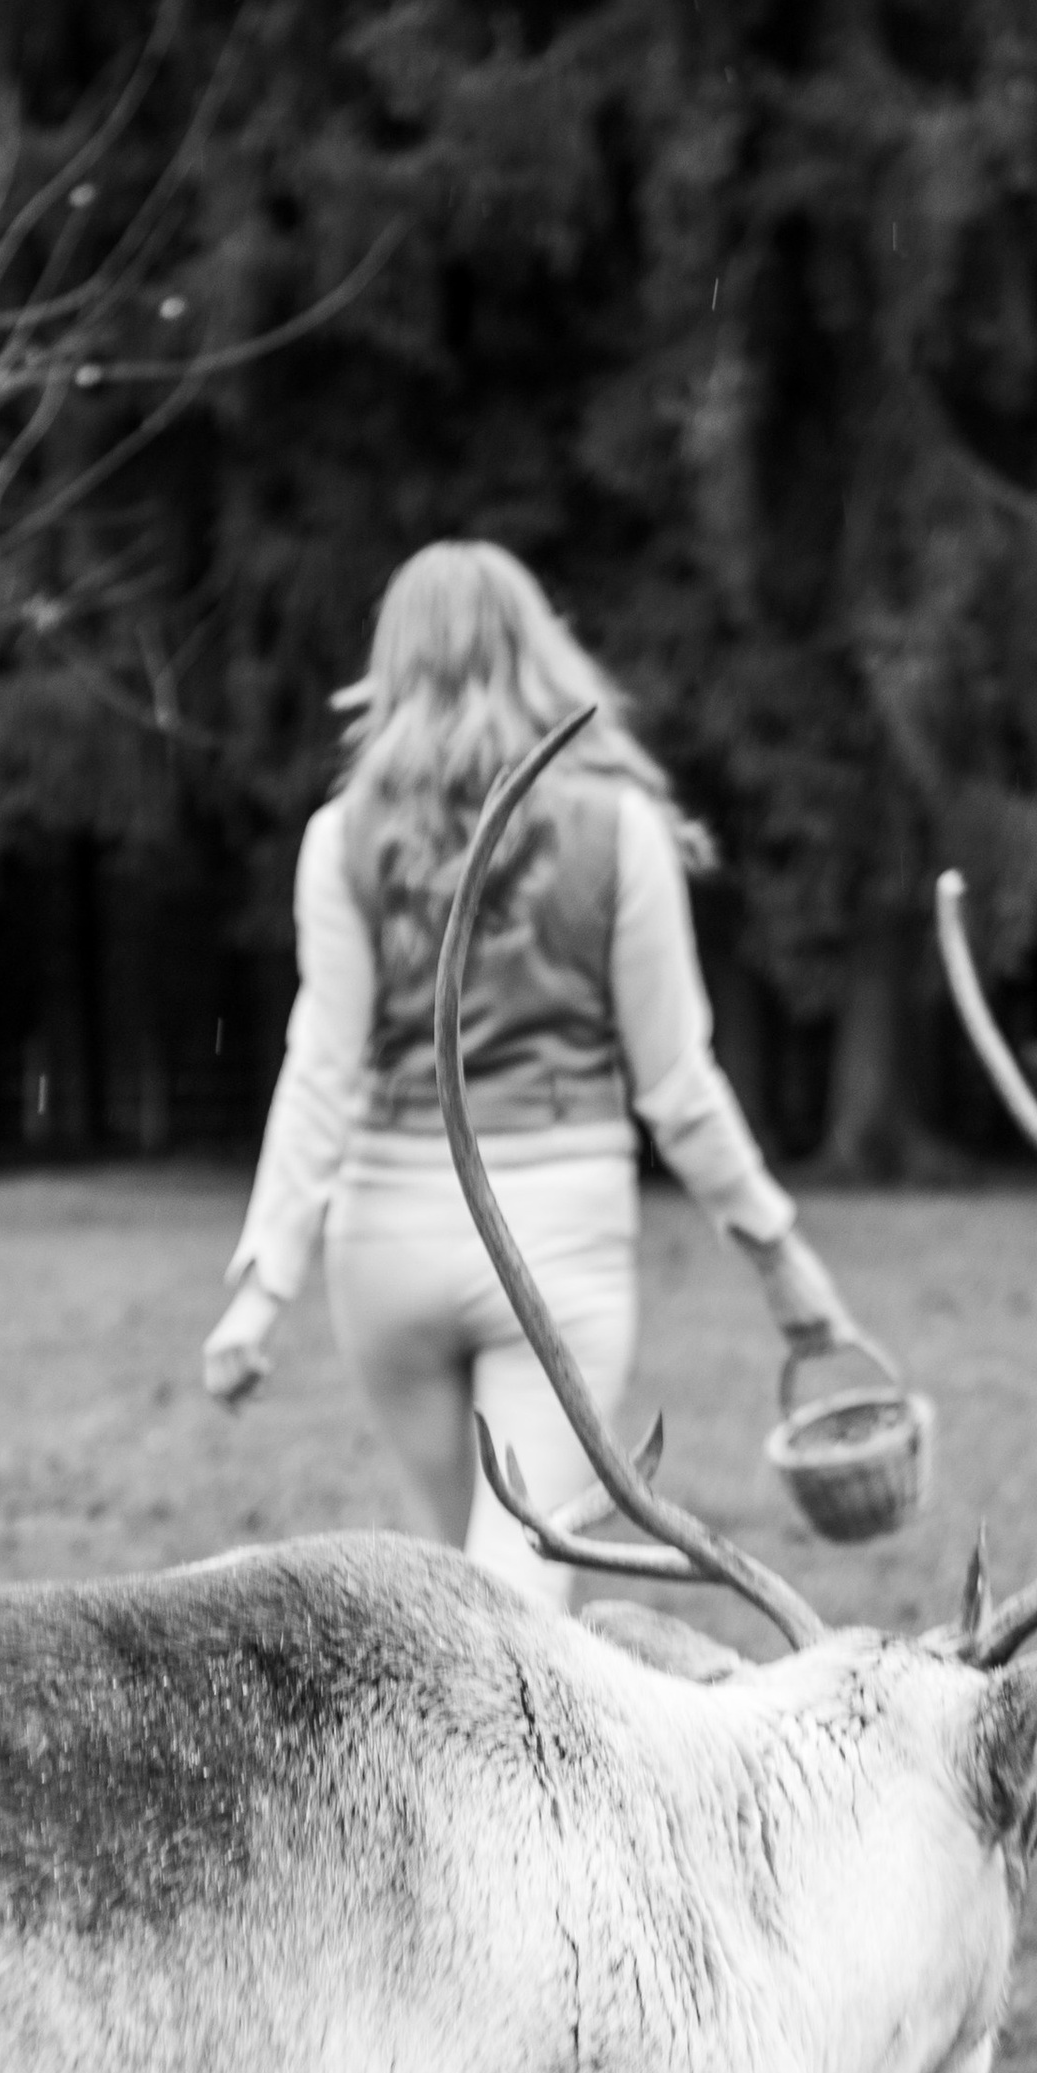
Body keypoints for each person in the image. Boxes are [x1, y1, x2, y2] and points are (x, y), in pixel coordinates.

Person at [201, 539, 870, 1606]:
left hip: (383, 1244)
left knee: (460, 1596)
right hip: (556, 1240)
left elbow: (319, 1066)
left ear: (395, 662)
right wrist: (777, 1252)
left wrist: (261, 1286)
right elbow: (675, 1081)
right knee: (518, 1595)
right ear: (540, 651)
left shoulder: (339, 839)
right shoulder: (623, 831)